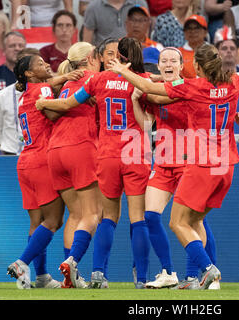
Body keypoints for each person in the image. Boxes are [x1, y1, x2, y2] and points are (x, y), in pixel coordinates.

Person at [107, 33, 239, 289]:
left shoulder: (192, 88)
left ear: (195, 68)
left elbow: (149, 88)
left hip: (201, 163)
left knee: (178, 222)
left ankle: (207, 269)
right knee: (191, 220)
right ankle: (200, 277)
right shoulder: (234, 82)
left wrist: (120, 70)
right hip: (226, 165)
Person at [36, 37, 152, 289]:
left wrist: (42, 101)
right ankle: (141, 279)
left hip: (107, 153)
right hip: (134, 153)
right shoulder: (142, 80)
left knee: (107, 217)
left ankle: (97, 273)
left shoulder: (96, 80)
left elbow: (66, 104)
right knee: (137, 218)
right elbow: (154, 114)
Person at [130, 46, 239, 289]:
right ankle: (168, 272)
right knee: (150, 215)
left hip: (189, 162)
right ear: (160, 66)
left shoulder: (191, 88)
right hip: (163, 161)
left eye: (173, 60)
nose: (168, 63)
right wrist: (135, 101)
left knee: (195, 222)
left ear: (183, 66)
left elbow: (216, 108)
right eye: (164, 61)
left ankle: (200, 274)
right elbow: (146, 125)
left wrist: (235, 115)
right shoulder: (159, 91)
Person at [46, 41, 103, 289]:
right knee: (93, 213)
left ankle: (69, 277)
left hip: (55, 152)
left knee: (76, 214)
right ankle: (73, 262)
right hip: (81, 148)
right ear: (91, 58)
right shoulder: (94, 80)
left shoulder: (66, 84)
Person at [6, 54, 67, 289]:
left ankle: (40, 277)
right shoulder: (41, 91)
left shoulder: (23, 96)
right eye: (40, 64)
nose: (46, 65)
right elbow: (53, 112)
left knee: (37, 222)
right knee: (53, 220)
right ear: (29, 74)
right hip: (42, 160)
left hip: (26, 161)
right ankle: (22, 263)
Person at [0, 48, 40, 156]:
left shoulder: (50, 93)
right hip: (11, 153)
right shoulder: (1, 96)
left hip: (41, 154)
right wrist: (5, 150)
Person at [82, 0, 148, 46]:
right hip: (104, 60)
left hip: (135, 57)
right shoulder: (93, 7)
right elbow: (86, 43)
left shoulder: (140, 3)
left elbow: (145, 34)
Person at [178, 14, 209, 79]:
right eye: (189, 28)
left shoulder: (212, 52)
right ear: (184, 32)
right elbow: (174, 82)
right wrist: (185, 82)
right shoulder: (177, 53)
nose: (192, 31)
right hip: (184, 87)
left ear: (205, 32)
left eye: (197, 28)